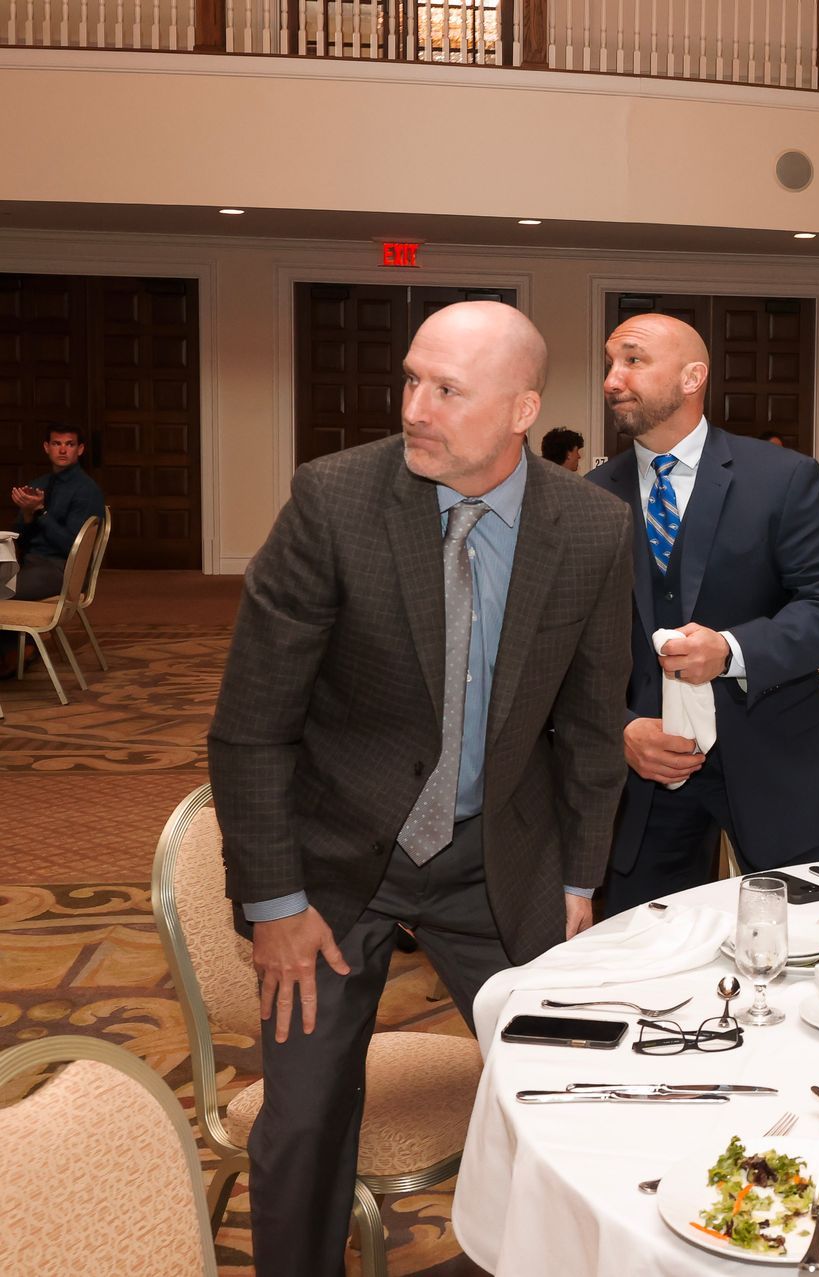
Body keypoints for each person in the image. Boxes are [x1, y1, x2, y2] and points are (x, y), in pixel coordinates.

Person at [206, 301, 633, 1277]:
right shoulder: (334, 501)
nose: (415, 407)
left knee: (572, 1086)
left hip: (500, 856)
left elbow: (593, 729)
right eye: (411, 380)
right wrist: (274, 903)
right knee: (305, 1120)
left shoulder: (591, 529)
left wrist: (577, 880)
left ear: (523, 408)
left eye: (448, 389)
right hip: (335, 860)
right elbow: (251, 726)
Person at [588, 313, 819, 911]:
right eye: (610, 363)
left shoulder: (781, 478)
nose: (612, 379)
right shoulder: (591, 496)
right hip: (646, 772)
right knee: (645, 957)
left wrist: (733, 651)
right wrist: (621, 729)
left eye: (633, 360)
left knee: (806, 944)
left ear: (693, 377)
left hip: (773, 755)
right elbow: (564, 651)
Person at [9, 423, 105, 602]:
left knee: (3, 592)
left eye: (69, 444)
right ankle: (19, 630)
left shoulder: (86, 490)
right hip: (29, 564)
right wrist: (28, 515)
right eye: (56, 444)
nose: (62, 450)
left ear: (80, 449)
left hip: (61, 570)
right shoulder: (39, 484)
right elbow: (19, 541)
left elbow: (73, 546)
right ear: (47, 447)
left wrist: (41, 512)